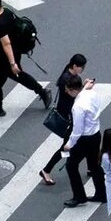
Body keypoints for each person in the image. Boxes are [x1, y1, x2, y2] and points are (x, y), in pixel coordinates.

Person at [0, 0, 50, 119]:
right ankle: (42, 92)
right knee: (13, 77)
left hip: (4, 58)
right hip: (15, 51)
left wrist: (12, 63)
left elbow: (6, 43)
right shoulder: (7, 11)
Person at [38, 54, 88, 185]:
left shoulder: (71, 76)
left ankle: (91, 167)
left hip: (72, 116)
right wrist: (84, 88)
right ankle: (46, 170)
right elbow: (74, 95)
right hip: (69, 117)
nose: (82, 69)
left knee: (85, 141)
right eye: (81, 67)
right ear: (75, 66)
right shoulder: (66, 79)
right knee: (67, 147)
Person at [61, 75, 104, 206]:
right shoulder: (91, 93)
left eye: (67, 90)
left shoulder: (78, 106)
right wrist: (85, 88)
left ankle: (79, 196)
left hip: (84, 139)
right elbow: (84, 92)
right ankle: (101, 194)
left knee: (71, 166)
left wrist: (69, 144)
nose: (66, 92)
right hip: (96, 134)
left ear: (73, 90)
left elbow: (77, 130)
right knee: (94, 165)